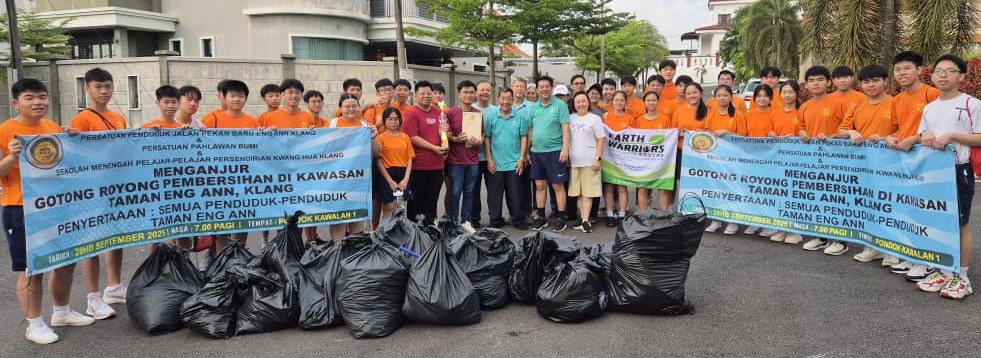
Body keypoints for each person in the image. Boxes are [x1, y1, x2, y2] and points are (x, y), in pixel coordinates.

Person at [1, 78, 96, 344]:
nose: (37, 102)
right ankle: (33, 323)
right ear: (16, 102)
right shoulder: (5, 130)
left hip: (57, 205)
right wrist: (10, 156)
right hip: (20, 208)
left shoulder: (51, 126)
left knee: (66, 262)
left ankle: (62, 312)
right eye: (29, 97)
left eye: (42, 96)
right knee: (33, 268)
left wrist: (73, 139)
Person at [891, 54, 979, 299]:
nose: (943, 75)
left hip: (958, 169)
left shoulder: (972, 104)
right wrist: (926, 135)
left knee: (959, 223)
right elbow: (922, 134)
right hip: (933, 172)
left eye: (950, 71)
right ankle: (943, 269)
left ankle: (961, 276)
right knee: (937, 220)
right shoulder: (930, 107)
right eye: (939, 71)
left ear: (961, 76)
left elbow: (979, 137)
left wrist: (952, 136)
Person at [69, 67, 127, 320]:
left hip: (115, 187)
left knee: (116, 238)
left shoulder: (117, 117)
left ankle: (114, 287)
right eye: (98, 87)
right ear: (87, 89)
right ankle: (93, 297)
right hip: (91, 190)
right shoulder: (81, 120)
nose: (103, 92)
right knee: (92, 241)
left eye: (107, 86)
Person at [833, 64, 898, 264]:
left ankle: (892, 249)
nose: (871, 85)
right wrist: (851, 132)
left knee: (890, 206)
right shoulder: (857, 106)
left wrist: (887, 136)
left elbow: (906, 130)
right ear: (860, 84)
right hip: (863, 166)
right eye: (866, 81)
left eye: (876, 80)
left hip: (891, 166)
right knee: (867, 205)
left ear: (885, 82)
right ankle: (870, 246)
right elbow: (841, 130)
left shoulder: (895, 103)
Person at [885, 51, 941, 277]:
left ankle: (927, 260)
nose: (902, 73)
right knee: (908, 210)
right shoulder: (898, 99)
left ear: (919, 70)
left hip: (930, 162)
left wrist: (914, 139)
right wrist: (890, 137)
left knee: (926, 212)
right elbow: (900, 128)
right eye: (898, 69)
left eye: (907, 68)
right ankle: (911, 257)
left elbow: (940, 129)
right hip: (905, 162)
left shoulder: (932, 94)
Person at [200, 80, 260, 262]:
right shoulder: (211, 120)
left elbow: (260, 149)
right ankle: (219, 259)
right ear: (224, 98)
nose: (236, 99)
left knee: (243, 219)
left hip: (244, 179)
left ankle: (239, 254)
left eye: (240, 96)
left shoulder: (252, 121)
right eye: (232, 95)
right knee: (220, 221)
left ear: (246, 99)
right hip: (218, 180)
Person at [797, 66, 850, 256]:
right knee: (817, 198)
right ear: (806, 85)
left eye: (820, 80)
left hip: (837, 159)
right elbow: (801, 127)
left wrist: (831, 136)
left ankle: (840, 240)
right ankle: (820, 236)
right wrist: (803, 134)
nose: (815, 84)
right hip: (813, 161)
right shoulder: (804, 106)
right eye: (811, 80)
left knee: (836, 199)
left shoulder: (839, 103)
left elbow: (848, 129)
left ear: (828, 82)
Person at [328, 93, 380, 239]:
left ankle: (354, 253)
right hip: (336, 180)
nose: (351, 109)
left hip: (359, 180)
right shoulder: (332, 124)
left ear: (359, 107)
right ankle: (337, 251)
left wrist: (373, 138)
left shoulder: (365, 125)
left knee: (357, 218)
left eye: (354, 106)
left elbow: (377, 153)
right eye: (347, 106)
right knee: (337, 219)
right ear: (340, 108)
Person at [526, 76, 571, 231]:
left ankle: (560, 217)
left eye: (547, 86)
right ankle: (541, 217)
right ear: (537, 89)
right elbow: (531, 130)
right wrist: (526, 151)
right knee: (539, 185)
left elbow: (565, 128)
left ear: (551, 88)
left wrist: (565, 149)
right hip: (536, 152)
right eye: (541, 87)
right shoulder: (534, 107)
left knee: (557, 185)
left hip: (555, 152)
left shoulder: (560, 105)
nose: (544, 89)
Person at [703, 85, 748, 235]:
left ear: (731, 97)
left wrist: (727, 132)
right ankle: (716, 219)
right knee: (715, 189)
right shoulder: (712, 114)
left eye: (725, 95)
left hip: (732, 159)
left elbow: (743, 136)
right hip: (715, 159)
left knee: (731, 189)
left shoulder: (738, 115)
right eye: (719, 96)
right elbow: (707, 133)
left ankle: (733, 221)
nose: (722, 98)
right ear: (714, 98)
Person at [485, 88, 529, 230]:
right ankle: (495, 220)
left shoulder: (520, 117)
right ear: (498, 99)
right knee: (494, 195)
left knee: (516, 194)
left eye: (508, 98)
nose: (505, 102)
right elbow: (487, 138)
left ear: (512, 99)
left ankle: (518, 219)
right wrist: (489, 159)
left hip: (514, 162)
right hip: (496, 163)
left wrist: (521, 158)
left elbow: (524, 137)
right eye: (502, 98)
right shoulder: (491, 117)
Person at [403, 81, 447, 225]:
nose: (426, 96)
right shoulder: (411, 113)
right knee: (416, 201)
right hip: (418, 166)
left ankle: (429, 230)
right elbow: (412, 137)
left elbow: (443, 134)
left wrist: (445, 147)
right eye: (422, 93)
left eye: (429, 93)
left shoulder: (439, 113)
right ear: (415, 96)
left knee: (432, 200)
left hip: (437, 165)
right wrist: (434, 148)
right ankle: (414, 232)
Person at [445, 80, 483, 232]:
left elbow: (480, 137)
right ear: (459, 94)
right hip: (455, 160)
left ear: (475, 94)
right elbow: (445, 135)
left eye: (471, 92)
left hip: (473, 160)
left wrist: (477, 141)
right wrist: (455, 139)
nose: (468, 95)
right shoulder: (450, 113)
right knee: (455, 191)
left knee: (470, 192)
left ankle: (466, 221)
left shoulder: (478, 114)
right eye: (465, 92)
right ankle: (453, 222)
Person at [567, 91, 605, 233]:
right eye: (578, 102)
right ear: (574, 104)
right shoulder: (570, 118)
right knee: (578, 192)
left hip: (590, 160)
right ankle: (583, 218)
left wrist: (597, 159)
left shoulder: (594, 119)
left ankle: (585, 220)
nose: (581, 104)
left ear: (588, 102)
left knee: (588, 193)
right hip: (574, 161)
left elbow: (601, 139)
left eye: (583, 101)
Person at [670, 82, 709, 212]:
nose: (692, 96)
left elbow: (711, 131)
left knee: (696, 182)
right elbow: (672, 131)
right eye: (688, 93)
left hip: (701, 153)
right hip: (681, 151)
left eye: (694, 92)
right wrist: (680, 133)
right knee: (679, 181)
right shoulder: (679, 110)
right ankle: (677, 207)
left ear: (701, 93)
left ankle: (695, 207)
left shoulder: (708, 111)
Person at [633, 91, 671, 212]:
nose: (651, 102)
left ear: (658, 102)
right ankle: (643, 214)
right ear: (644, 102)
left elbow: (670, 138)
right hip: (644, 160)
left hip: (661, 160)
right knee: (642, 187)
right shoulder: (639, 120)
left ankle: (664, 215)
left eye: (654, 100)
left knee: (663, 187)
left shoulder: (664, 119)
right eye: (648, 100)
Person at [602, 91, 633, 227]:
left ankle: (622, 214)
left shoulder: (630, 118)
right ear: (612, 101)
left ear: (625, 102)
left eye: (622, 100)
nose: (619, 103)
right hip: (608, 157)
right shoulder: (605, 116)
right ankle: (610, 213)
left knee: (622, 187)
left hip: (623, 158)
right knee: (608, 186)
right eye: (616, 100)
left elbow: (635, 138)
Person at [376, 107, 415, 218]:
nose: (393, 122)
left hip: (403, 173)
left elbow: (409, 158)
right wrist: (390, 181)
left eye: (396, 119)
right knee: (389, 207)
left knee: (401, 207)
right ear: (384, 121)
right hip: (387, 174)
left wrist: (406, 179)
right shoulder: (380, 138)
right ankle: (385, 233)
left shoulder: (405, 137)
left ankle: (399, 233)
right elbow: (379, 161)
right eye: (390, 119)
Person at [471, 80, 498, 228]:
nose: (485, 93)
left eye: (488, 90)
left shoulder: (496, 110)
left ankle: (494, 218)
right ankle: (475, 219)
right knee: (473, 190)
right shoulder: (470, 109)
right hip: (473, 157)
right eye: (482, 90)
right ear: (476, 92)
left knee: (493, 189)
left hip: (492, 157)